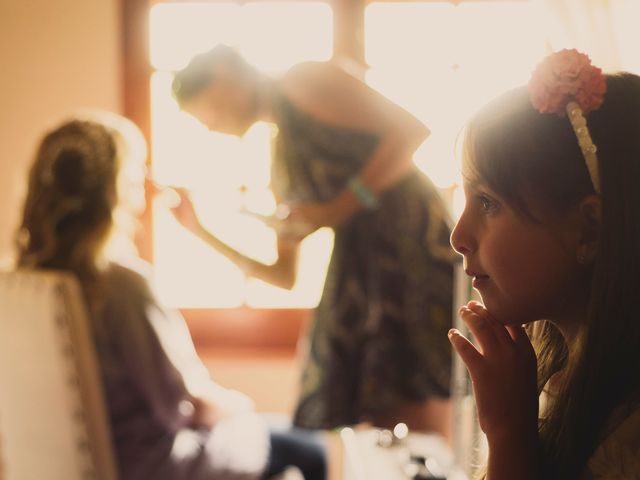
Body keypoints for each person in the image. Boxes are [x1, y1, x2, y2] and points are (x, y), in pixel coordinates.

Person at [15, 111, 327, 480]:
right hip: (151, 465)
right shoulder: (121, 285)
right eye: (133, 181)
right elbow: (184, 406)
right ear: (112, 193)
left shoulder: (25, 284)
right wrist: (239, 404)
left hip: (94, 462)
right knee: (310, 450)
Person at [169, 44, 456, 435]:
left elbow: (410, 131)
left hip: (411, 250)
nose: (208, 126)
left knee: (418, 399)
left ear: (222, 77)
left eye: (202, 112)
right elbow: (284, 276)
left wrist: (337, 208)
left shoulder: (303, 81)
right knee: (372, 414)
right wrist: (200, 232)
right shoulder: (280, 162)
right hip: (361, 274)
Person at [449, 49, 640, 479]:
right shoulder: (553, 378)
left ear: (589, 230)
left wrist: (508, 435)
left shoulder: (628, 435)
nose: (458, 238)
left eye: (487, 202)